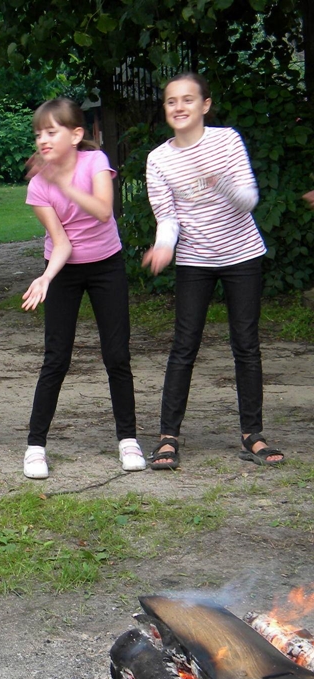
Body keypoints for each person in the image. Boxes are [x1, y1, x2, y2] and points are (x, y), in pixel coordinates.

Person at [142, 72, 283, 468]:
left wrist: (218, 182)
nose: (179, 107)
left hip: (242, 254)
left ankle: (252, 434)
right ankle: (168, 437)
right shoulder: (158, 159)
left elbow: (248, 200)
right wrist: (164, 246)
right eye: (171, 101)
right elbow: (167, 217)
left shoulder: (227, 140)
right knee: (183, 346)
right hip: (194, 260)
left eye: (188, 99)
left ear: (204, 105)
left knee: (246, 345)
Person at [20, 98, 146, 479]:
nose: (43, 139)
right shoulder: (39, 185)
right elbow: (62, 243)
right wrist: (46, 277)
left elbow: (104, 210)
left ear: (76, 135)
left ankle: (128, 440)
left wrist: (63, 183)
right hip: (64, 268)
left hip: (107, 264)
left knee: (116, 355)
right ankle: (35, 447)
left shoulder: (95, 162)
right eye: (38, 133)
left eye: (51, 131)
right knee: (56, 358)